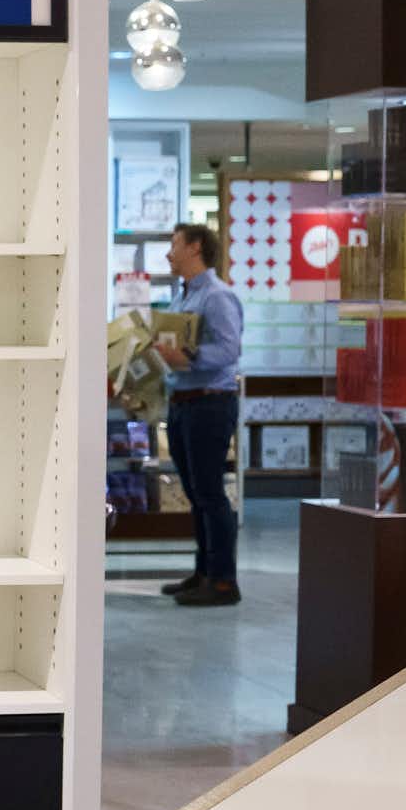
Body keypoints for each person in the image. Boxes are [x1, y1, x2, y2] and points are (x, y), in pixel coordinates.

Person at [153, 221, 245, 606]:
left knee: (210, 494)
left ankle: (223, 581)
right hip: (184, 404)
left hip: (210, 402)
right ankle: (204, 571)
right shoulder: (183, 297)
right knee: (195, 492)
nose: (169, 253)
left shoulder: (218, 297)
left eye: (174, 244)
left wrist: (186, 358)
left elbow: (229, 351)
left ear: (194, 248)